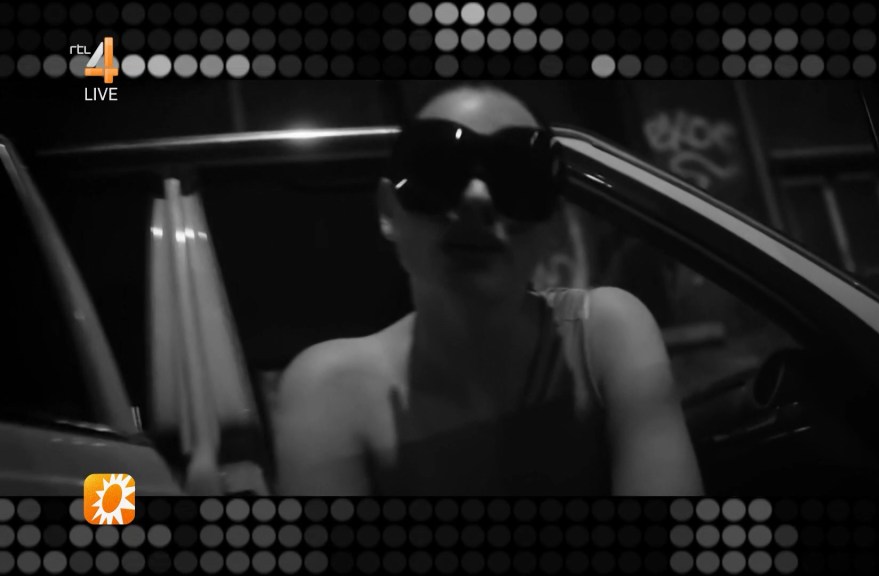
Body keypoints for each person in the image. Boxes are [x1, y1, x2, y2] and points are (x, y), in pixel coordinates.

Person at [273, 85, 703, 496]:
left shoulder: (605, 335)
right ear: (389, 211)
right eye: (439, 168)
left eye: (516, 174)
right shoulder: (330, 392)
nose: (476, 197)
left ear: (554, 226)